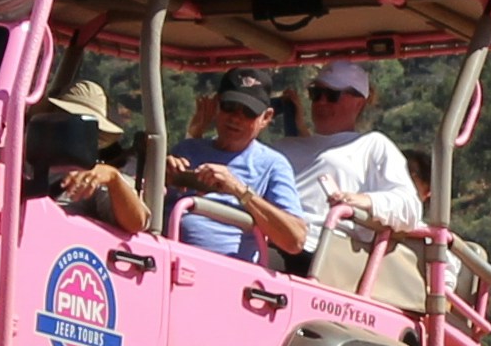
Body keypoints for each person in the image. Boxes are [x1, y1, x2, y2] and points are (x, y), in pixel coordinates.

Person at [166, 70, 311, 263]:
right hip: (166, 255)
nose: (236, 118)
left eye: (249, 112)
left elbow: (295, 240)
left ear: (266, 118)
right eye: (229, 107)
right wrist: (161, 176)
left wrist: (238, 190)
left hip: (227, 271)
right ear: (218, 106)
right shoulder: (187, 149)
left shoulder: (273, 165)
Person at [290, 59, 425, 242]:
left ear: (359, 103)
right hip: (269, 234)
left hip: (320, 245)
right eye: (316, 93)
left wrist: (364, 200)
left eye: (332, 95)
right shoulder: (283, 146)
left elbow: (409, 208)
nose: (321, 102)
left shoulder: (373, 145)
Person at [25, 78, 149, 235]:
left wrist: (113, 179)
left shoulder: (96, 179)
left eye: (80, 128)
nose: (69, 132)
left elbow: (136, 222)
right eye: (63, 119)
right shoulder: (19, 158)